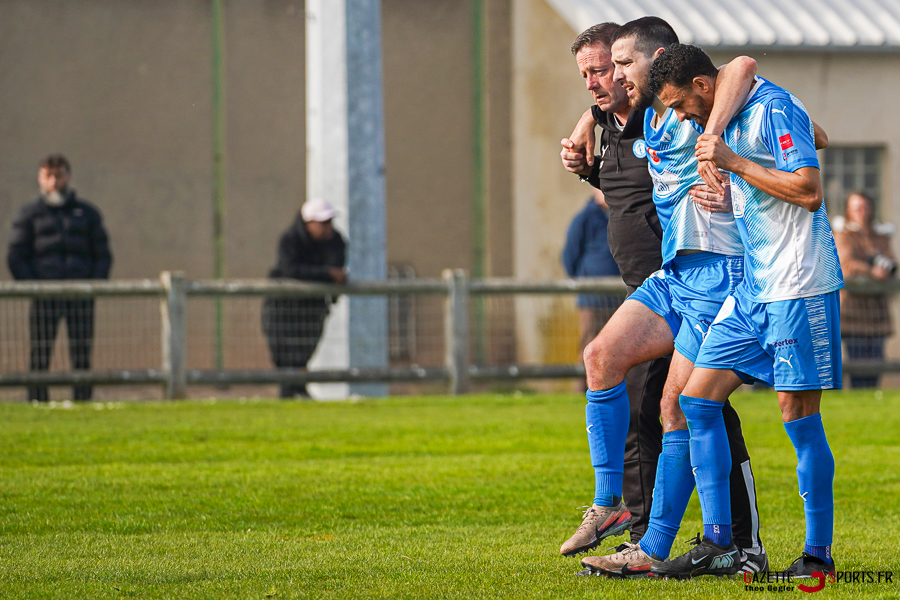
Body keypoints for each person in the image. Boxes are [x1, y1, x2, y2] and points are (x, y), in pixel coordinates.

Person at [557, 18, 767, 577]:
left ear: (662, 61)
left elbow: (744, 68)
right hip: (672, 276)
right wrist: (585, 124)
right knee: (600, 357)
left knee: (685, 408)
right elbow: (606, 110)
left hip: (722, 280)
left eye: (622, 64)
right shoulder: (642, 115)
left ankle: (690, 546)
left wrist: (714, 140)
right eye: (608, 68)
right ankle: (610, 506)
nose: (613, 76)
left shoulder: (703, 103)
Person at [646, 43, 842, 579]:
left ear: (703, 86)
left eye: (682, 104)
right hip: (753, 286)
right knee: (697, 401)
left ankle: (817, 557)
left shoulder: (770, 108)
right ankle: (722, 545)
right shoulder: (729, 115)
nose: (683, 117)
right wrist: (733, 192)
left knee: (796, 416)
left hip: (797, 284)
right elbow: (817, 136)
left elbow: (808, 191)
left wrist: (734, 164)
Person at [7, 154, 112, 402]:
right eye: (49, 176)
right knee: (40, 352)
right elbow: (16, 257)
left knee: (81, 353)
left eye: (59, 175)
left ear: (69, 176)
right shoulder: (29, 215)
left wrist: (93, 285)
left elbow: (103, 255)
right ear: (40, 179)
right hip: (45, 298)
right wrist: (35, 288)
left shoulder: (86, 214)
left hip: (80, 297)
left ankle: (83, 401)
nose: (54, 181)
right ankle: (37, 401)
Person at [262, 198, 347, 399]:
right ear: (308, 223)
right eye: (322, 223)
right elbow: (289, 269)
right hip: (282, 307)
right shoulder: (290, 240)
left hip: (312, 308)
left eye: (329, 222)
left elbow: (338, 270)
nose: (327, 228)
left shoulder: (336, 241)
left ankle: (294, 394)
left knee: (303, 353)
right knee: (283, 355)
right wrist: (327, 274)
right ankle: (292, 393)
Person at [561, 188, 623, 391]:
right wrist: (584, 283)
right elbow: (570, 255)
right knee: (590, 343)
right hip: (592, 299)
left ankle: (615, 390)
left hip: (621, 298)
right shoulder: (585, 218)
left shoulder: (623, 214)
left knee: (619, 345)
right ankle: (584, 389)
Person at [834, 191, 895, 388]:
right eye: (856, 207)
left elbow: (891, 261)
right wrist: (872, 271)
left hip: (877, 311)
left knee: (876, 364)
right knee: (857, 366)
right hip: (853, 310)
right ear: (849, 210)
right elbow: (846, 264)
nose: (861, 212)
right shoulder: (844, 235)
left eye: (865, 207)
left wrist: (884, 270)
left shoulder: (881, 236)